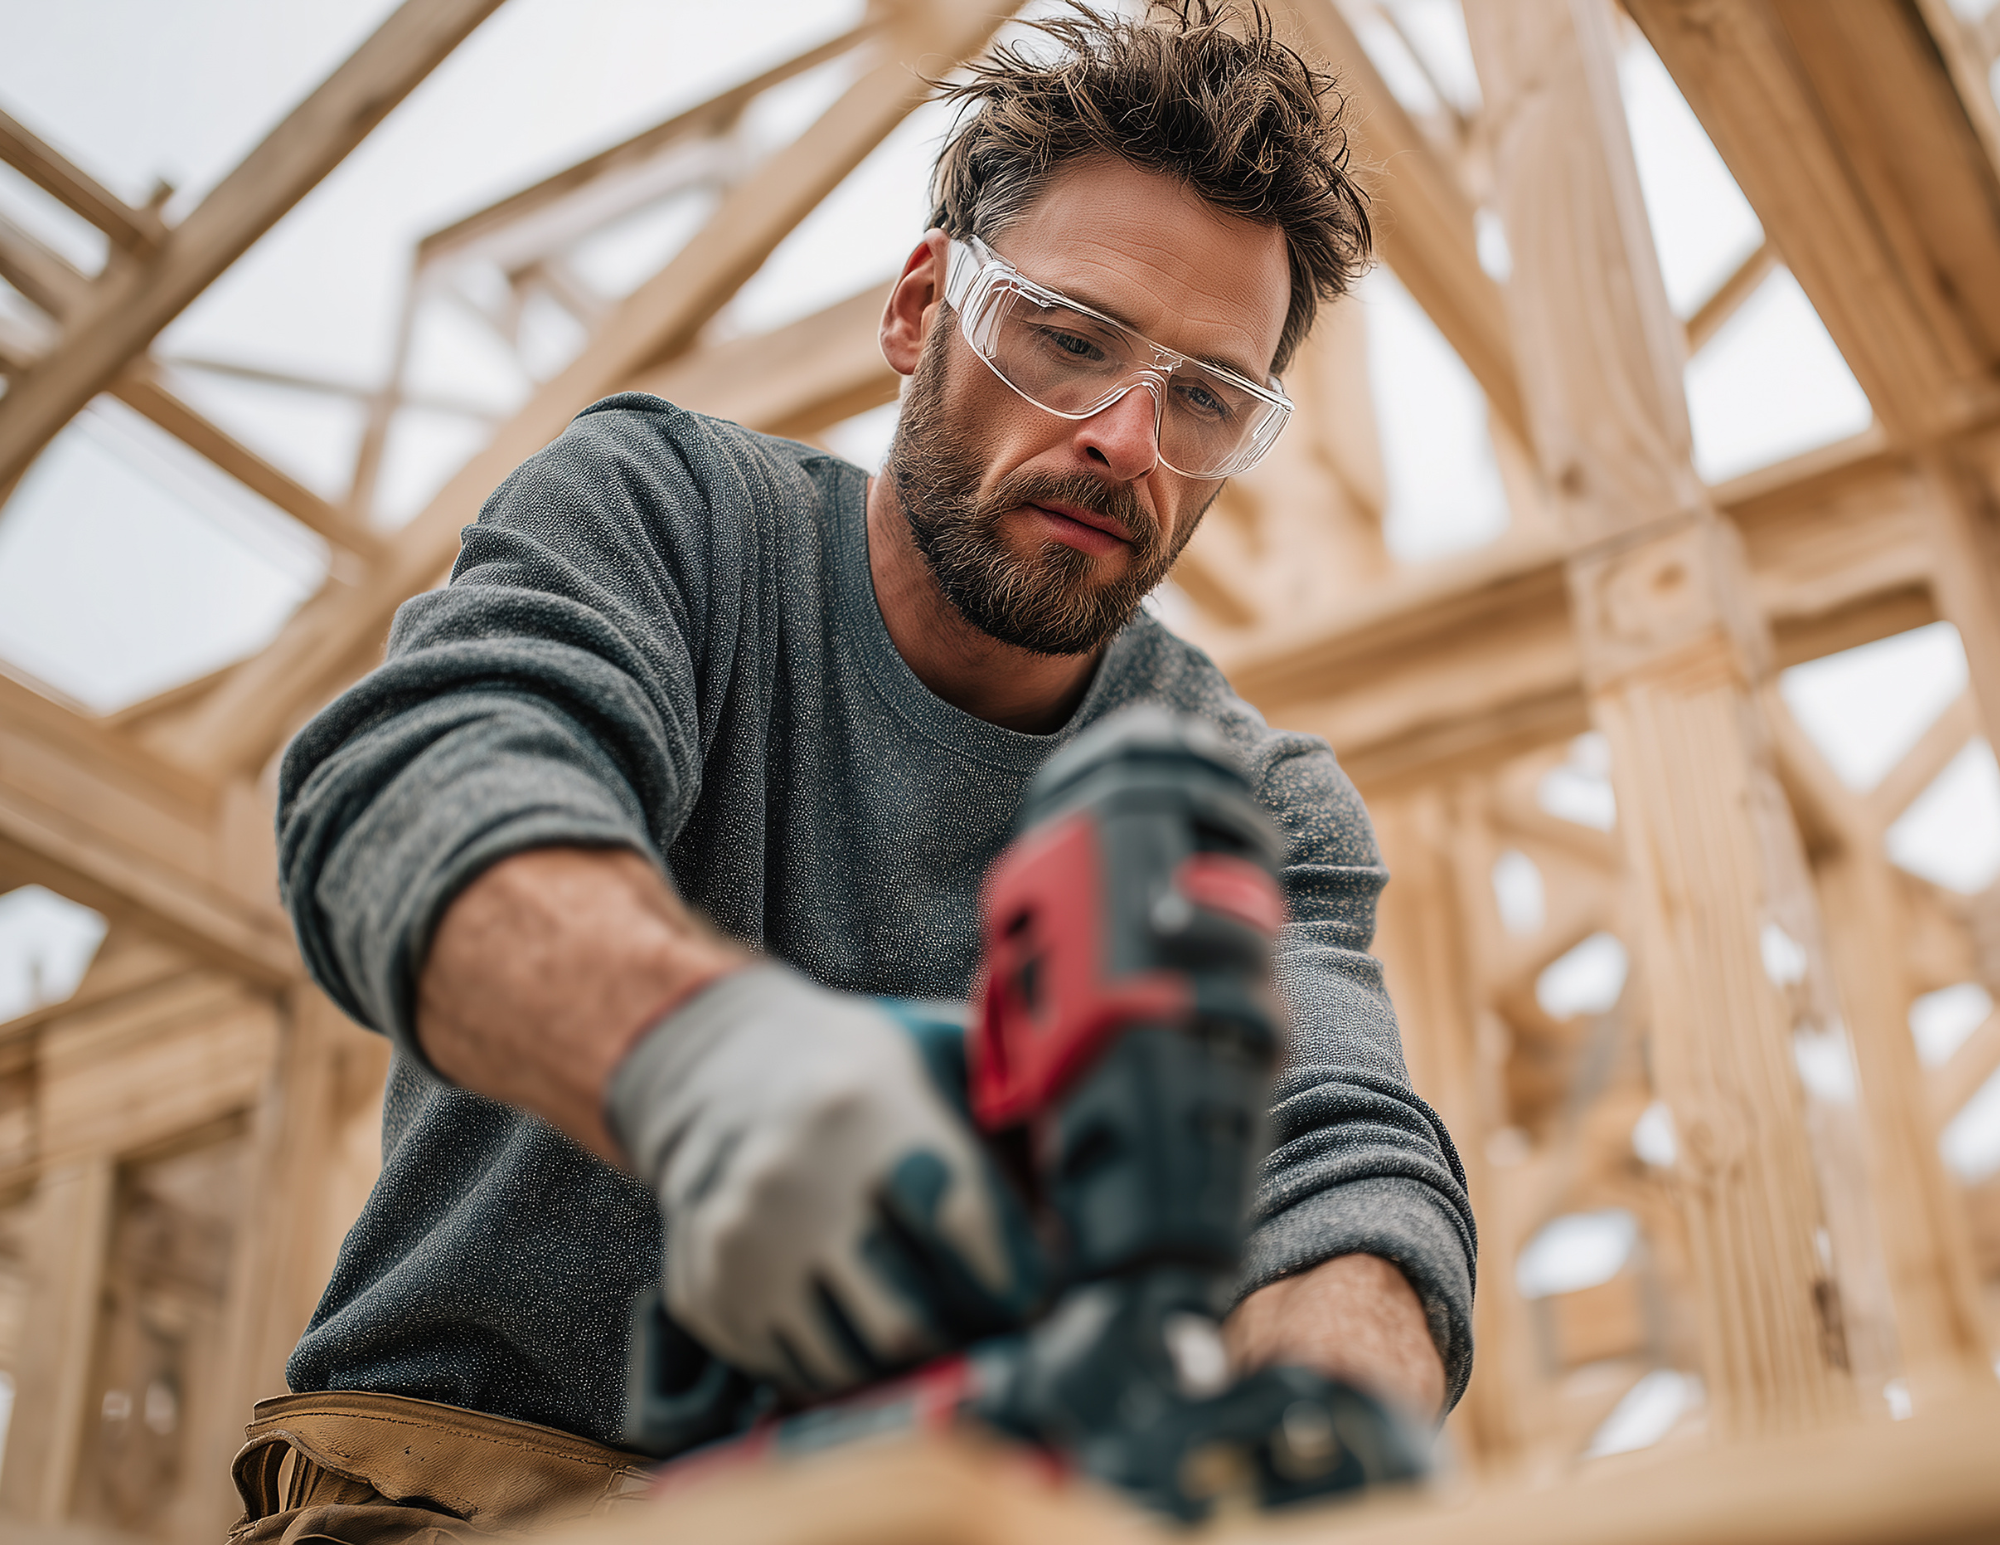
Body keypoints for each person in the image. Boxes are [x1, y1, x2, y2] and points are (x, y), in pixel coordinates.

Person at [240, 4, 1475, 1539]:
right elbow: (425, 789)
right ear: (918, 312)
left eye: (1207, 399)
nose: (1122, 438)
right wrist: (699, 1063)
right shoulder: (675, 519)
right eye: (1068, 339)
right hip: (458, 1489)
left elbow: (1336, 1161)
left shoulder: (1250, 798)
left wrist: (1331, 1410)